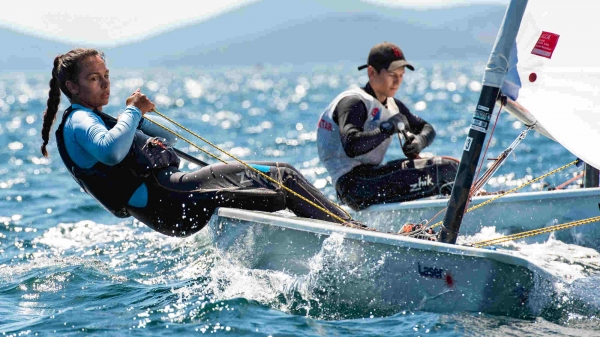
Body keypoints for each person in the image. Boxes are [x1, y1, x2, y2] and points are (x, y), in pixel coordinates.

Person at [41, 48, 358, 237]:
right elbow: (111, 152)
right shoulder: (80, 121)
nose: (106, 83)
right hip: (169, 197)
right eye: (95, 78)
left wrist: (138, 118)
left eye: (106, 75)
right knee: (282, 178)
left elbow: (166, 140)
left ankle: (340, 228)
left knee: (276, 179)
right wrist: (132, 110)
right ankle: (353, 232)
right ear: (72, 86)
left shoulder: (97, 119)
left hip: (168, 201)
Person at [316, 42, 458, 211]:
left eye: (401, 75)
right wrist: (387, 128)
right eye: (392, 74)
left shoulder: (393, 106)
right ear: (371, 73)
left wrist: (418, 142)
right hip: (353, 186)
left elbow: (427, 129)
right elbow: (352, 145)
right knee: (445, 170)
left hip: (371, 177)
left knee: (448, 166)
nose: (397, 81)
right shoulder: (353, 102)